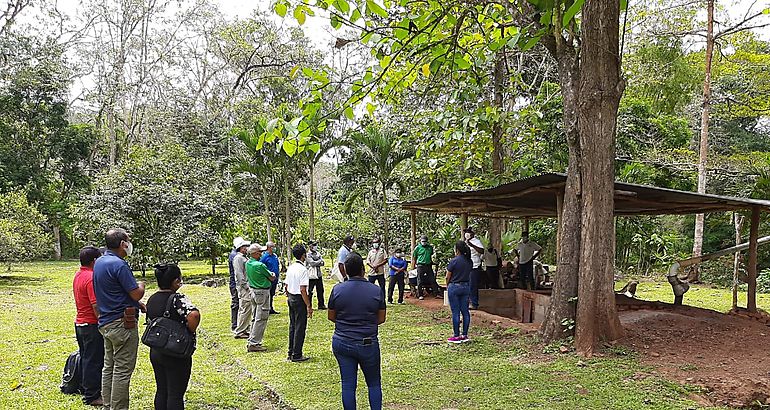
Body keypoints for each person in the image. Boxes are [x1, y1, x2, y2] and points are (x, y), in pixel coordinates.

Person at [93, 228, 145, 410]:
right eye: (128, 241)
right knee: (122, 371)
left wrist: (138, 304)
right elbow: (136, 293)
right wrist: (142, 285)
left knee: (109, 367)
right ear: (123, 244)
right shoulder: (119, 265)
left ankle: (108, 405)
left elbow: (113, 291)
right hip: (122, 324)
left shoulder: (100, 262)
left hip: (105, 323)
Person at [328, 253, 386, 410]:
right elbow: (381, 319)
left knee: (348, 384)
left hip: (342, 342)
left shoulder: (337, 289)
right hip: (367, 343)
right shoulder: (376, 290)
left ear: (345, 271)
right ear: (363, 270)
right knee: (373, 383)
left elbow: (331, 316)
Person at [146, 264, 200, 410]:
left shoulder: (152, 299)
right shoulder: (177, 299)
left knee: (162, 390)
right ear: (176, 281)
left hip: (157, 351)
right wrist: (190, 330)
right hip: (176, 352)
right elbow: (193, 315)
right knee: (175, 394)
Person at [73, 246, 104, 406]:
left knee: (87, 358)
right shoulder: (91, 278)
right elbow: (95, 305)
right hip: (91, 324)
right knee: (94, 360)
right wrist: (103, 322)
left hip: (80, 323)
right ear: (94, 261)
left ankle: (86, 389)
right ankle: (92, 396)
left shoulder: (79, 275)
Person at [285, 244, 313, 362]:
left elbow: (286, 285)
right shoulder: (303, 269)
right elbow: (303, 289)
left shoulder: (291, 267)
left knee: (293, 325)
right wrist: (308, 305)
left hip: (291, 297)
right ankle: (297, 354)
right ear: (303, 256)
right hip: (298, 299)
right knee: (300, 327)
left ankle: (290, 351)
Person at [246, 243, 275, 352]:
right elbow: (271, 277)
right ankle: (254, 343)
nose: (261, 254)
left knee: (254, 317)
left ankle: (251, 339)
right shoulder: (260, 265)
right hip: (262, 292)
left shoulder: (248, 263)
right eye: (260, 252)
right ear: (255, 253)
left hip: (253, 291)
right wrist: (272, 274)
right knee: (261, 318)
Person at [446, 241, 473, 343]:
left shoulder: (454, 261)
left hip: (454, 286)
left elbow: (447, 276)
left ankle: (456, 336)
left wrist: (448, 285)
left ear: (457, 249)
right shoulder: (469, 261)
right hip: (465, 287)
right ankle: (465, 335)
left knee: (455, 312)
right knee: (465, 311)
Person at [232, 238, 252, 339]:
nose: (246, 248)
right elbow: (239, 275)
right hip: (244, 288)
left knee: (246, 308)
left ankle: (245, 329)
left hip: (246, 286)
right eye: (245, 246)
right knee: (245, 307)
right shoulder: (238, 258)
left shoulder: (244, 257)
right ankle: (240, 331)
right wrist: (246, 287)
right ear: (240, 247)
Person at [464, 228, 485, 309]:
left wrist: (471, 244)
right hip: (466, 267)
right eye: (466, 232)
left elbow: (482, 251)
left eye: (468, 232)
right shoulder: (464, 242)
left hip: (475, 266)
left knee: (473, 286)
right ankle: (467, 302)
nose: (467, 234)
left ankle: (474, 303)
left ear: (472, 234)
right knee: (466, 285)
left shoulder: (477, 241)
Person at [412, 235, 436, 300]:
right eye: (422, 241)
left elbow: (431, 255)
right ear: (420, 241)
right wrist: (413, 266)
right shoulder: (417, 248)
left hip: (428, 265)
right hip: (420, 265)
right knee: (420, 280)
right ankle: (420, 294)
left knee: (432, 279)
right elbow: (414, 257)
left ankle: (435, 293)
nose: (424, 242)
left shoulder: (430, 247)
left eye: (425, 241)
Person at [227, 237, 243, 332]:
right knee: (236, 303)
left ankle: (238, 323)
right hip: (235, 283)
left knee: (238, 303)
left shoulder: (234, 254)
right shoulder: (235, 256)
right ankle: (235, 324)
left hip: (235, 282)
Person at [261, 241, 281, 314]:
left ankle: (271, 308)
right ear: (269, 248)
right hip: (268, 278)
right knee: (267, 294)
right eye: (273, 246)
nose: (274, 248)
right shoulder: (264, 257)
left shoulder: (275, 256)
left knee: (272, 293)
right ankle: (266, 309)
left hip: (275, 278)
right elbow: (261, 267)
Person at [306, 241, 326, 310]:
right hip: (311, 275)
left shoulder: (318, 253)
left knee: (320, 290)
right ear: (310, 246)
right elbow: (312, 263)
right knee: (310, 291)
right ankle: (309, 305)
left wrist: (317, 262)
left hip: (318, 274)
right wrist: (319, 261)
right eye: (314, 245)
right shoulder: (308, 254)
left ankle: (321, 305)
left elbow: (323, 263)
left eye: (316, 245)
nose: (315, 246)